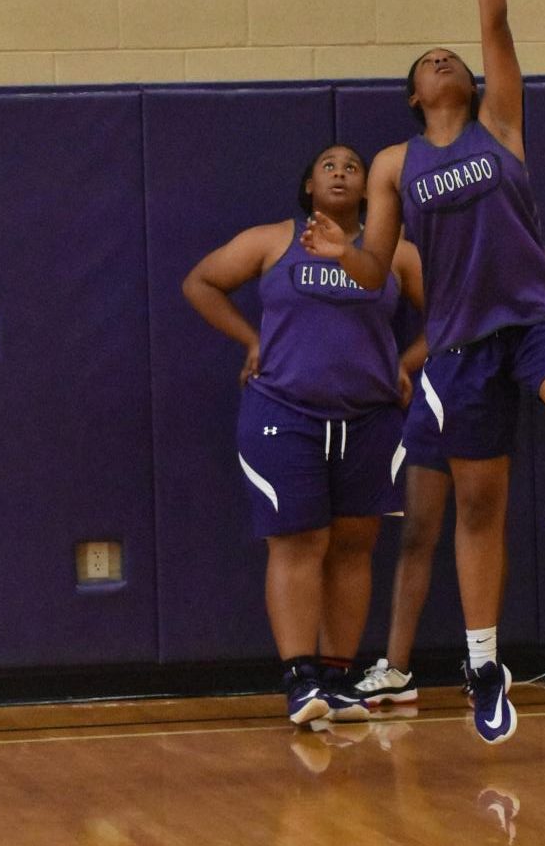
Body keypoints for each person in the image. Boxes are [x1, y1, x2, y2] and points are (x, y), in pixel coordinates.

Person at [301, 0, 545, 744]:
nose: (444, 57)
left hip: (534, 317)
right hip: (458, 345)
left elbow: (493, 17)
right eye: (427, 62)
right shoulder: (393, 164)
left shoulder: (501, 123)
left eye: (451, 55)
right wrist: (343, 251)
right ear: (416, 94)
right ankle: (484, 663)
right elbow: (377, 269)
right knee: (478, 510)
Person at [182, 144, 424, 727]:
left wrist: (408, 361)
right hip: (283, 415)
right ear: (309, 187)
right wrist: (250, 340)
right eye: (328, 166)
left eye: (353, 167)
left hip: (370, 418)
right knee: (298, 544)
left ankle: (338, 680)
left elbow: (454, 315)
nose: (341, 172)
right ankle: (300, 680)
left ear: (369, 191)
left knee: (353, 547)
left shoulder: (397, 254)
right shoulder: (270, 241)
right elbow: (201, 283)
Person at [357, 249, 545, 707]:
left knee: (483, 524)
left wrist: (531, 333)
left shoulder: (512, 238)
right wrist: (406, 364)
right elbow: (442, 319)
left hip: (488, 387)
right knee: (417, 530)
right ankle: (396, 667)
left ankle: (481, 661)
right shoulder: (424, 242)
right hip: (440, 385)